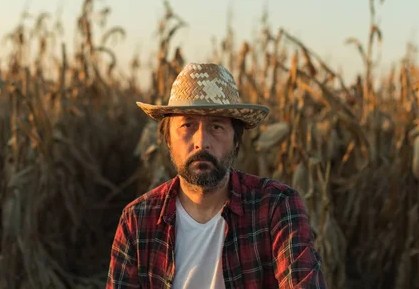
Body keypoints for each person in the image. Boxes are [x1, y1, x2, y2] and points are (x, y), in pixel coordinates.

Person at [106, 63, 326, 288]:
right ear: (168, 140)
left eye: (217, 127)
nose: (202, 142)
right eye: (187, 125)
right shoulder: (138, 220)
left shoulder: (276, 208)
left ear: (236, 140)